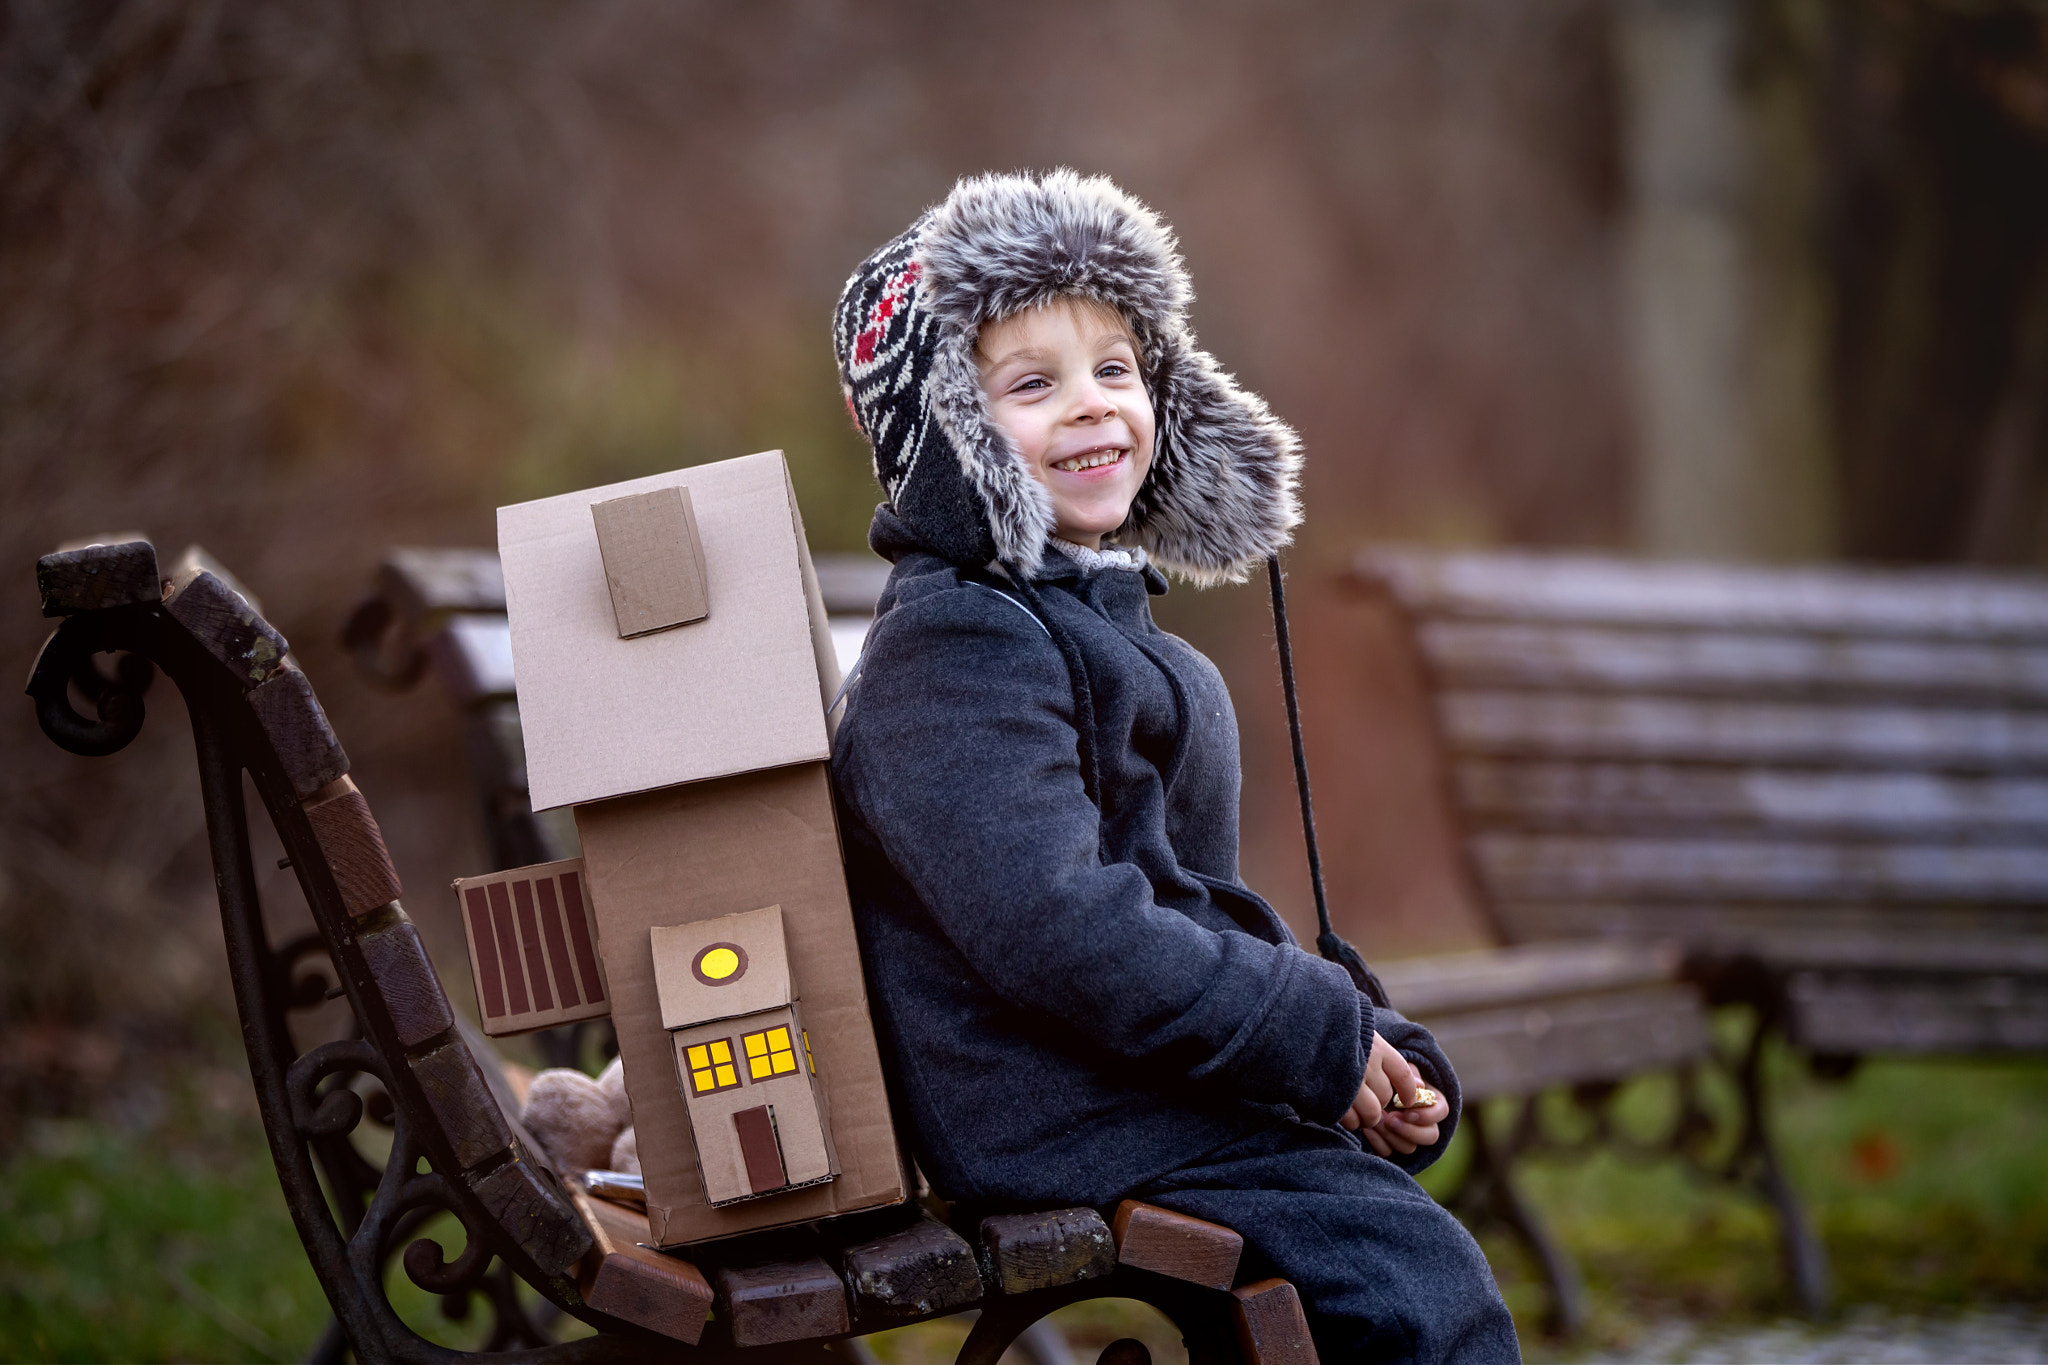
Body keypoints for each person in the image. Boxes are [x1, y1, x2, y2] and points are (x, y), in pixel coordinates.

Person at [828, 169, 1520, 1363]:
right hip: (1050, 1108)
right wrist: (1303, 1034)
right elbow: (1060, 926)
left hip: (1122, 1079)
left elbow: (1187, 904)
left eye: (1117, 368)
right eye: (1030, 385)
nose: (1093, 407)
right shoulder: (955, 649)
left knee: (1392, 1263)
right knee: (1418, 1290)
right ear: (946, 434)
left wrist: (1358, 1036)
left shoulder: (1087, 616)